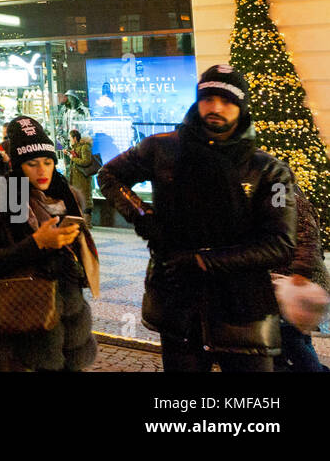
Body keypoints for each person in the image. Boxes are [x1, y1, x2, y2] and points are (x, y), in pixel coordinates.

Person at [98, 64, 296, 372]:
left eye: (228, 100)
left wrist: (203, 261)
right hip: (178, 299)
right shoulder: (162, 148)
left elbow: (281, 244)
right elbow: (109, 175)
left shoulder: (269, 170)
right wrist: (141, 213)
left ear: (242, 108)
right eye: (208, 98)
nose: (216, 107)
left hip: (243, 307)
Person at [0, 116, 98, 372]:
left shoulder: (67, 195)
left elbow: (79, 255)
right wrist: (37, 243)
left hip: (68, 323)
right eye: (32, 164)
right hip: (21, 323)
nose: (42, 171)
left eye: (48, 162)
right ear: (19, 166)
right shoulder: (0, 198)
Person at [272, 181, 329, 371]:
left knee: (294, 340)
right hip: (292, 280)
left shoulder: (290, 202)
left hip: (296, 282)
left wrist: (300, 275)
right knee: (294, 340)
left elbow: (308, 242)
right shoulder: (287, 198)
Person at [66, 129, 100, 222]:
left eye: (70, 138)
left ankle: (87, 223)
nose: (70, 140)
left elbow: (86, 161)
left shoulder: (84, 147)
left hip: (83, 179)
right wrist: (69, 154)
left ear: (75, 138)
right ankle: (81, 221)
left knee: (86, 200)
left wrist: (73, 158)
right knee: (79, 200)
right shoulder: (75, 148)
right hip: (76, 179)